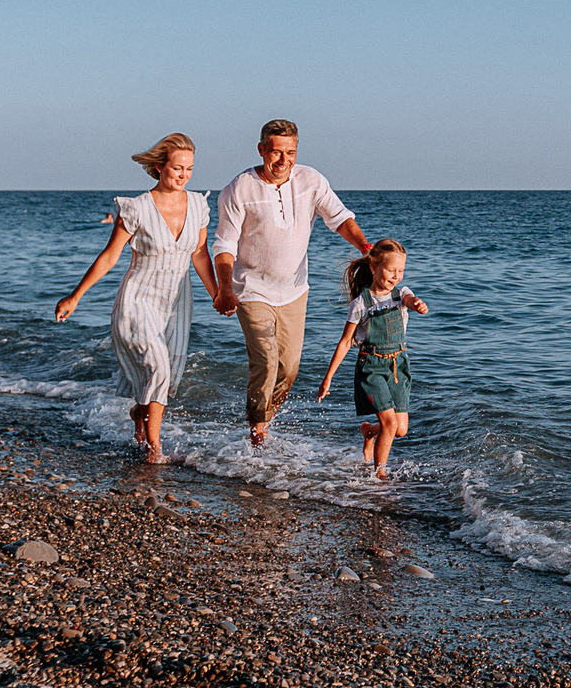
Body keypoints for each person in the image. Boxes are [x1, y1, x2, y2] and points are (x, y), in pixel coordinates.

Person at [57, 134, 221, 463]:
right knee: (157, 368)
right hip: (139, 298)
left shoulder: (198, 206)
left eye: (189, 169)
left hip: (178, 301)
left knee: (168, 375)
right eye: (177, 168)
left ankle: (139, 413)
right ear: (160, 167)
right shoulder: (137, 208)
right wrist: (75, 297)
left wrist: (218, 294)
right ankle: (154, 448)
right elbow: (110, 256)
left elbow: (200, 255)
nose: (184, 175)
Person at [211, 119, 374, 448]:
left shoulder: (311, 181)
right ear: (261, 150)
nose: (283, 160)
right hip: (251, 290)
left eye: (291, 153)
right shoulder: (239, 189)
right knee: (266, 361)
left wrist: (365, 247)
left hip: (294, 291)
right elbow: (224, 245)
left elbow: (340, 218)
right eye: (276, 152)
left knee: (289, 369)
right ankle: (257, 431)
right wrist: (225, 289)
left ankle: (264, 419)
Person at [315, 238, 428, 480]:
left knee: (400, 429)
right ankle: (380, 477)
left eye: (401, 271)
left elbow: (409, 300)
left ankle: (369, 431)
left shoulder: (401, 294)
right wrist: (328, 378)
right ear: (374, 267)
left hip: (397, 366)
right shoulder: (361, 303)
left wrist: (417, 304)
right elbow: (346, 342)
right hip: (371, 367)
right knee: (389, 424)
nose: (396, 276)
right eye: (391, 270)